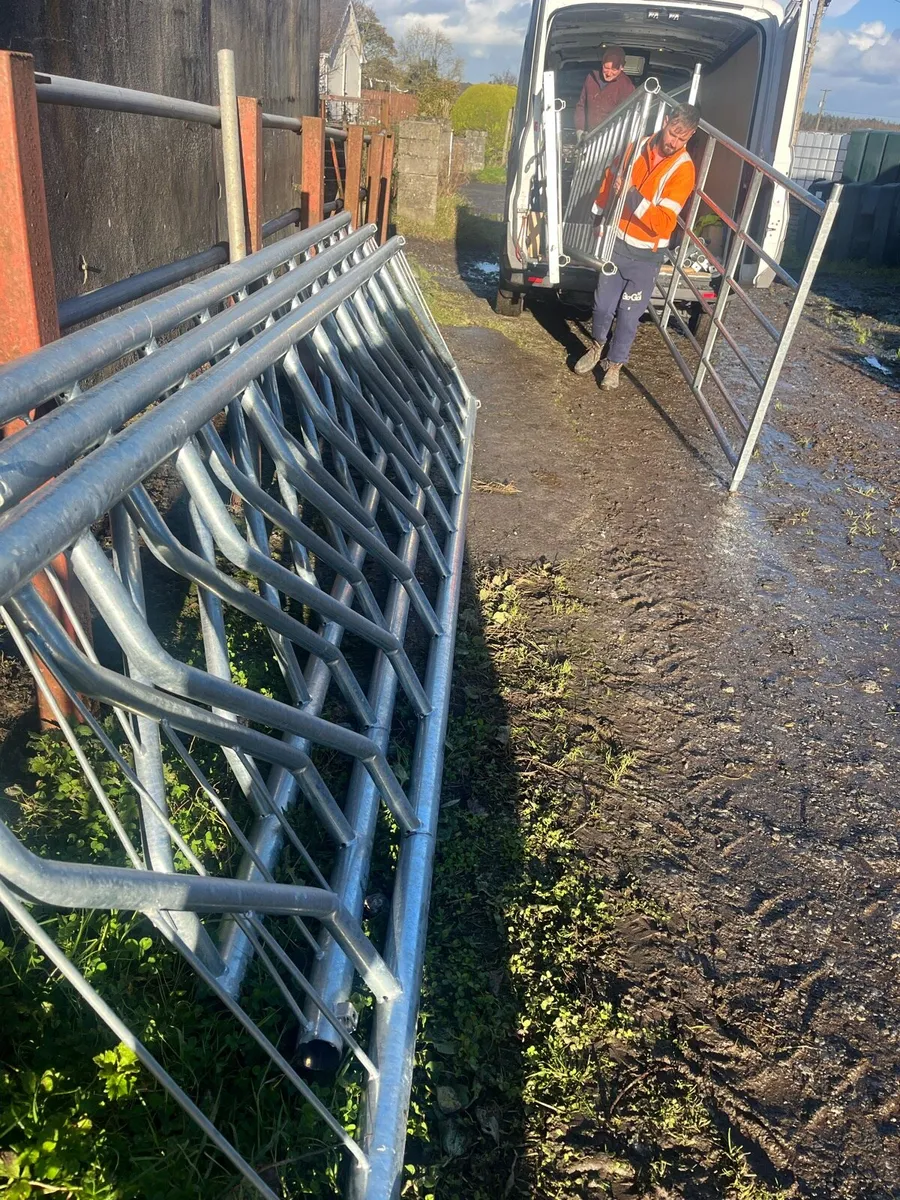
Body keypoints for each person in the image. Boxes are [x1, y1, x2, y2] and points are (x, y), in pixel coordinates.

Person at [573, 103, 700, 391]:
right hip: (617, 243)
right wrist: (598, 212)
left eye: (683, 138)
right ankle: (596, 348)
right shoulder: (636, 147)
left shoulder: (683, 171)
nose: (674, 142)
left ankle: (614, 365)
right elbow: (611, 177)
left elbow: (663, 223)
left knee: (629, 316)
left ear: (690, 136)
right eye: (673, 133)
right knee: (603, 306)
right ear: (665, 121)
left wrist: (631, 194)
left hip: (647, 255)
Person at [574, 47, 635, 135]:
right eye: (606, 68)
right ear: (602, 63)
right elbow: (581, 105)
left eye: (614, 69)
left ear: (622, 67)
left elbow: (627, 116)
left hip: (609, 138)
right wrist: (579, 130)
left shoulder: (627, 87)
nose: (609, 73)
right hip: (588, 135)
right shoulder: (591, 77)